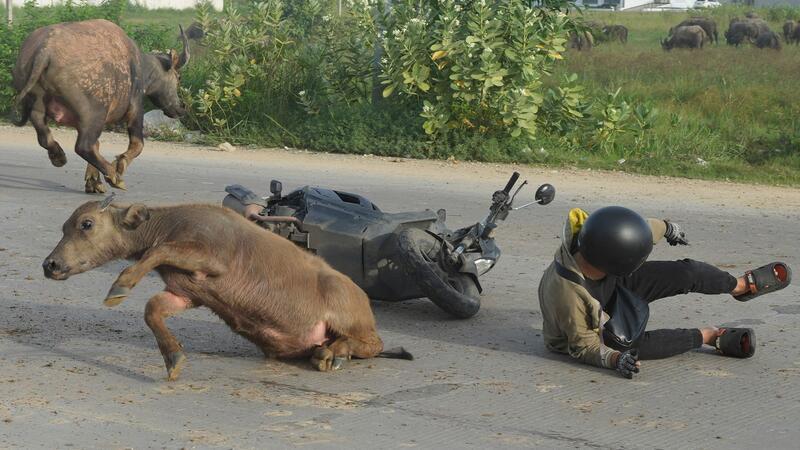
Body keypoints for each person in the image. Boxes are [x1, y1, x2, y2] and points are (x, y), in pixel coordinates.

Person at [538, 206, 792, 379]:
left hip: (611, 281)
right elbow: (584, 346)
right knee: (628, 345)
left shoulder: (596, 234)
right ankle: (709, 336)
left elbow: (637, 230)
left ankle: (739, 286)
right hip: (591, 327)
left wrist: (668, 227)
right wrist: (615, 359)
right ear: (618, 263)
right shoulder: (569, 296)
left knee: (686, 273)